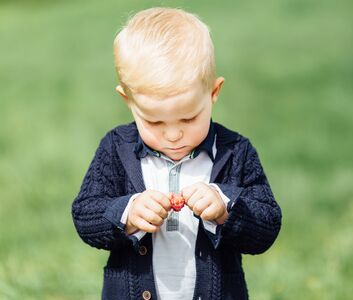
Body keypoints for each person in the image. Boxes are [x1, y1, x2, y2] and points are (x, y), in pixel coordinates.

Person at [71, 7, 282, 300]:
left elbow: (267, 226)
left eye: (188, 119)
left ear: (213, 92)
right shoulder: (117, 149)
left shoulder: (235, 151)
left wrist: (225, 208)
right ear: (127, 99)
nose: (173, 134)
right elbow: (85, 214)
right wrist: (128, 212)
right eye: (155, 122)